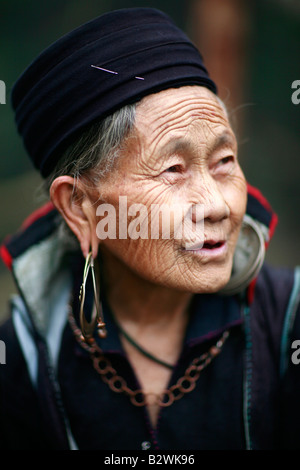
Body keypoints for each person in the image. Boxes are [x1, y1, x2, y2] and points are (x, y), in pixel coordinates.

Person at [0, 7, 299, 451]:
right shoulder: (22, 359)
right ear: (80, 207)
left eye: (224, 162)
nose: (216, 206)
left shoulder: (288, 327)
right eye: (173, 170)